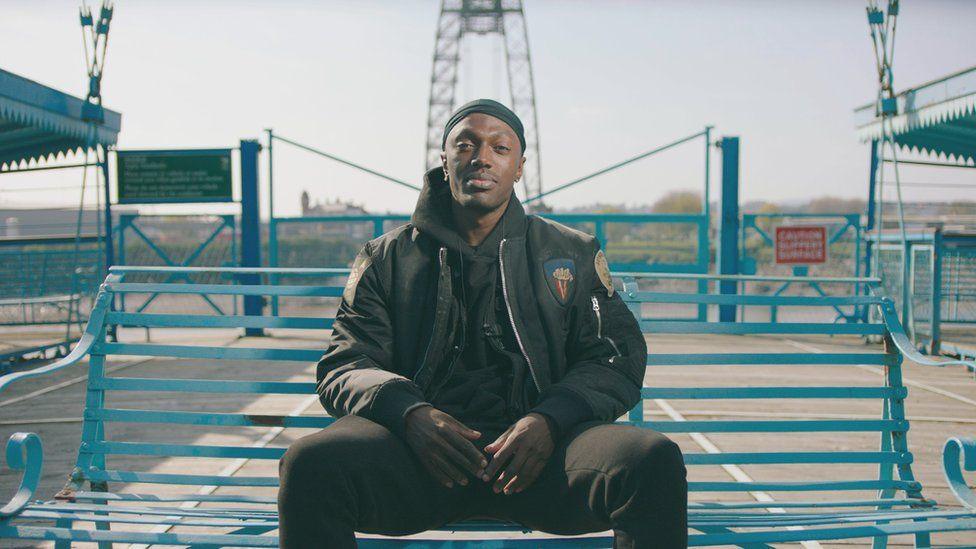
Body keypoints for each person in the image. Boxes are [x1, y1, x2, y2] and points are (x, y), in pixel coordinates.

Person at [278, 99, 687, 548]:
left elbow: (614, 360)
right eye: (466, 144)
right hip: (418, 461)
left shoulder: (569, 253)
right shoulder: (387, 258)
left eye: (500, 147)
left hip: (542, 461)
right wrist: (409, 414)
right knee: (309, 462)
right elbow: (345, 363)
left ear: (519, 166)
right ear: (444, 159)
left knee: (652, 459)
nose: (481, 157)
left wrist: (551, 419)